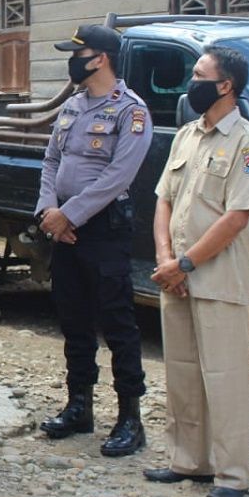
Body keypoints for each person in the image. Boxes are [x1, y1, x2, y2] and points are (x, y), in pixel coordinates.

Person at [145, 45, 249, 497]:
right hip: (174, 276)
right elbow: (163, 200)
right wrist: (166, 260)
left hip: (216, 278)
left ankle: (232, 474)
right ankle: (188, 461)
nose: (189, 84)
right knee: (182, 372)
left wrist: (187, 262)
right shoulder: (186, 137)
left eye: (199, 75)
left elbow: (237, 216)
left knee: (225, 376)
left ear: (225, 86)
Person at [36, 24, 153, 457]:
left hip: (103, 231)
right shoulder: (72, 106)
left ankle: (129, 419)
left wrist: (70, 214)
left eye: (77, 53)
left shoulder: (130, 111)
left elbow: (118, 176)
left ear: (99, 58)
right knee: (74, 321)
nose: (72, 60)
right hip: (63, 231)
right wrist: (49, 212)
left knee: (118, 324)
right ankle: (79, 406)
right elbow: (51, 161)